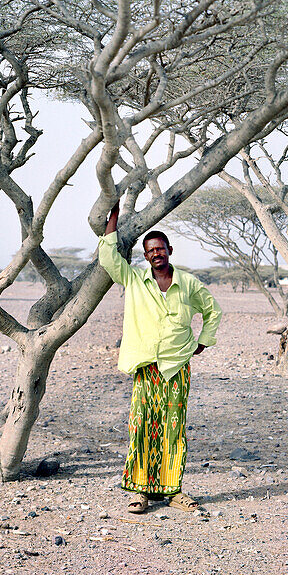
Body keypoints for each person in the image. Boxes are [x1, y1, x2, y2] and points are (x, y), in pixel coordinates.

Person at [98, 199, 222, 514]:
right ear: (146, 255)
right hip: (146, 368)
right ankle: (140, 492)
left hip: (177, 367)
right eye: (151, 250)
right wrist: (114, 217)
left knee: (173, 427)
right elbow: (109, 257)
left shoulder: (189, 283)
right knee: (141, 426)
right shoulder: (134, 280)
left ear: (169, 250)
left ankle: (173, 490)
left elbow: (213, 311)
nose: (157, 253)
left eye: (161, 248)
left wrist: (203, 342)